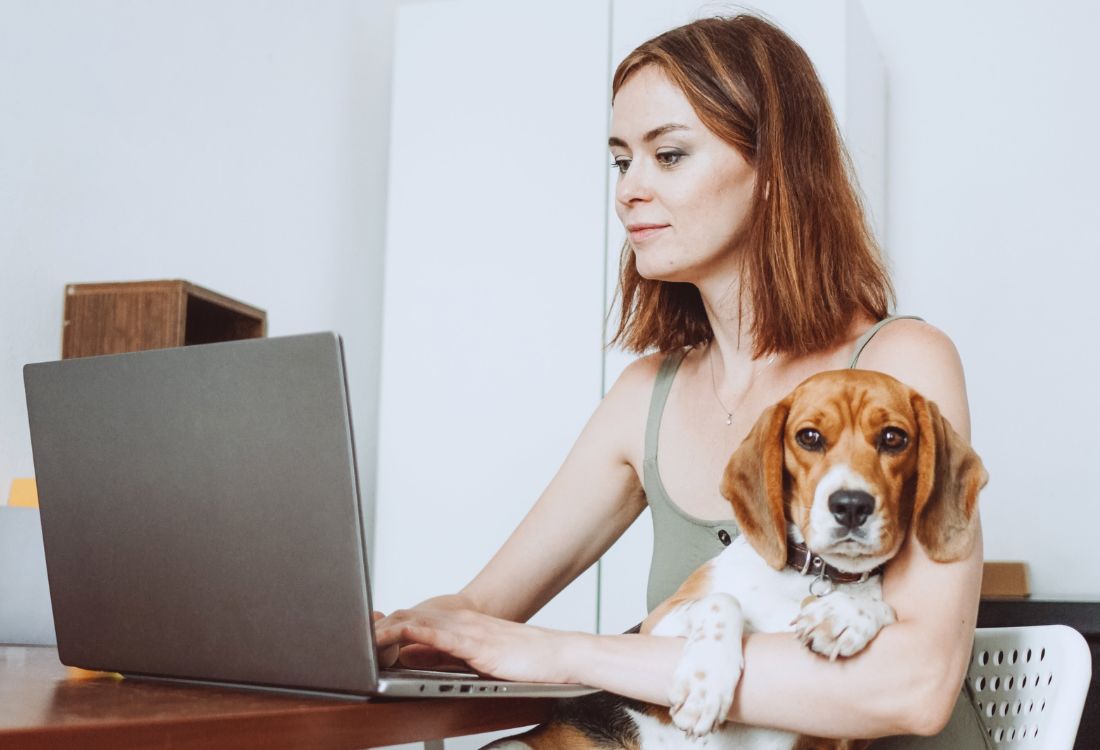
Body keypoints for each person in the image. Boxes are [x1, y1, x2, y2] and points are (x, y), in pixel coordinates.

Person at [376, 14, 987, 746]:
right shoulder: (647, 394)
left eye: (667, 155)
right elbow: (480, 609)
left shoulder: (901, 362)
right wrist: (379, 635)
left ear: (773, 172)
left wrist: (572, 652)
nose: (630, 189)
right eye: (620, 161)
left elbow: (913, 688)